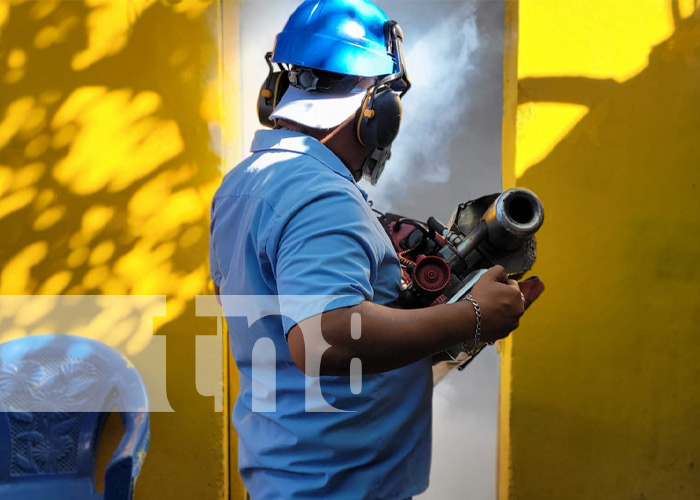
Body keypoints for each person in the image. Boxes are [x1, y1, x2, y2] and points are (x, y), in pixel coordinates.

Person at [209, 1, 526, 498]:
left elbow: (267, 310)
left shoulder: (243, 185)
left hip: (291, 471)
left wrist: (407, 314)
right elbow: (326, 336)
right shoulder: (322, 195)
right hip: (340, 483)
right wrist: (474, 316)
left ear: (275, 93)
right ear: (377, 112)